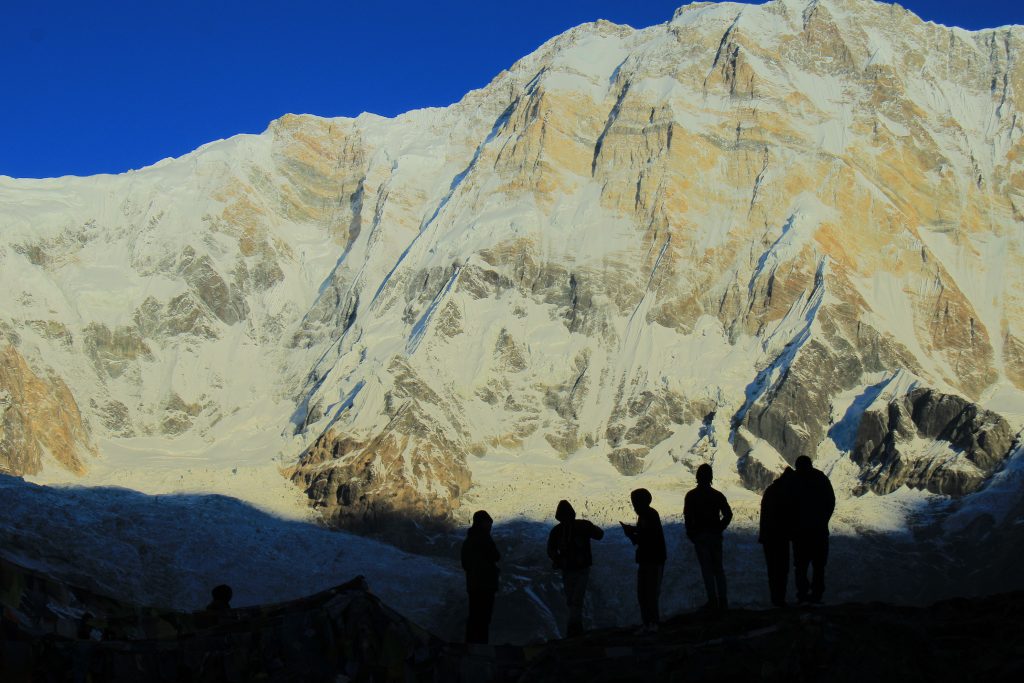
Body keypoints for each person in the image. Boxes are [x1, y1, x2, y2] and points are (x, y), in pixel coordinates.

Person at [547, 499, 604, 637]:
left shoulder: (558, 530)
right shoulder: (580, 526)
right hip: (577, 568)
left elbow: (550, 549)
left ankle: (574, 629)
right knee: (574, 598)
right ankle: (575, 628)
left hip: (573, 568)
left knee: (574, 598)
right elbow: (600, 534)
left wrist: (557, 559)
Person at [683, 464, 733, 610]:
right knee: (718, 569)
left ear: (697, 477)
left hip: (700, 537)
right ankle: (722, 600)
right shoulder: (717, 495)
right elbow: (728, 514)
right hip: (715, 536)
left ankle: (712, 601)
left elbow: (687, 517)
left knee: (707, 570)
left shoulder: (691, 495)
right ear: (710, 477)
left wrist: (691, 534)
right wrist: (719, 528)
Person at [620, 488, 666, 633]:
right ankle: (649, 623)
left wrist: (630, 534)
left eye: (635, 503)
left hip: (652, 560)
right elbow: (646, 533)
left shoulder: (648, 515)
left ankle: (652, 623)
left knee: (649, 593)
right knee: (646, 593)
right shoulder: (648, 515)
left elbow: (645, 538)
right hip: (649, 559)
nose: (634, 506)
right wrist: (633, 530)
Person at [792, 455, 836, 604]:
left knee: (801, 566)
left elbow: (787, 505)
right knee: (818, 566)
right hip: (819, 532)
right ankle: (817, 595)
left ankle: (803, 595)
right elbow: (830, 502)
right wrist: (823, 520)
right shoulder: (821, 479)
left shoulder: (795, 480)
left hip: (801, 533)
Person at [461, 510, 500, 643]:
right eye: (488, 523)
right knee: (483, 618)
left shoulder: (469, 540)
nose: (489, 527)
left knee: (475, 616)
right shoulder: (484, 539)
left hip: (474, 584)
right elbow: (496, 555)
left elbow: (465, 563)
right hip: (485, 584)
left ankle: (471, 644)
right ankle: (481, 645)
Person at [758, 467, 795, 607]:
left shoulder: (770, 491)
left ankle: (776, 599)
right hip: (780, 537)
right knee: (781, 569)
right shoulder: (785, 493)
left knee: (773, 570)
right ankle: (780, 599)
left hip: (769, 537)